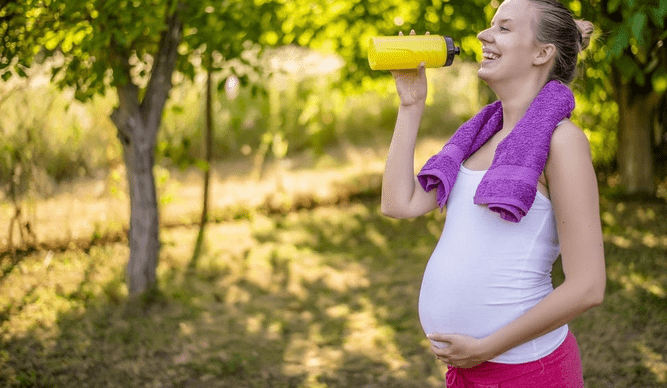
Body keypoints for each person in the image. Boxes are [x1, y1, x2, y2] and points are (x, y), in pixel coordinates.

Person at [380, 0, 606, 386]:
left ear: (541, 53)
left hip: (528, 371)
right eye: (490, 25)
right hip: (469, 369)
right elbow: (398, 203)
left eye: (504, 28)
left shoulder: (562, 142)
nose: (484, 35)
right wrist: (410, 105)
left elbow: (588, 286)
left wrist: (487, 347)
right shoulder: (481, 137)